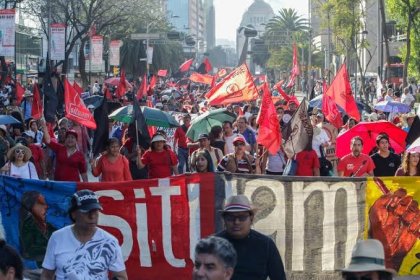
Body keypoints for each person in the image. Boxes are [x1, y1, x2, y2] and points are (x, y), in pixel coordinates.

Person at [41, 189, 127, 280]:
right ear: (73, 214)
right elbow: (46, 275)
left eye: (95, 211)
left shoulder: (110, 241)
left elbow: (121, 276)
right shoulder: (57, 238)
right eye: (86, 212)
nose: (92, 216)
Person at [216, 195, 286, 280]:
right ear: (224, 219)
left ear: (251, 218)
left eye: (242, 217)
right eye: (230, 217)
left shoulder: (266, 245)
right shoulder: (212, 245)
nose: (236, 222)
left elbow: (279, 277)